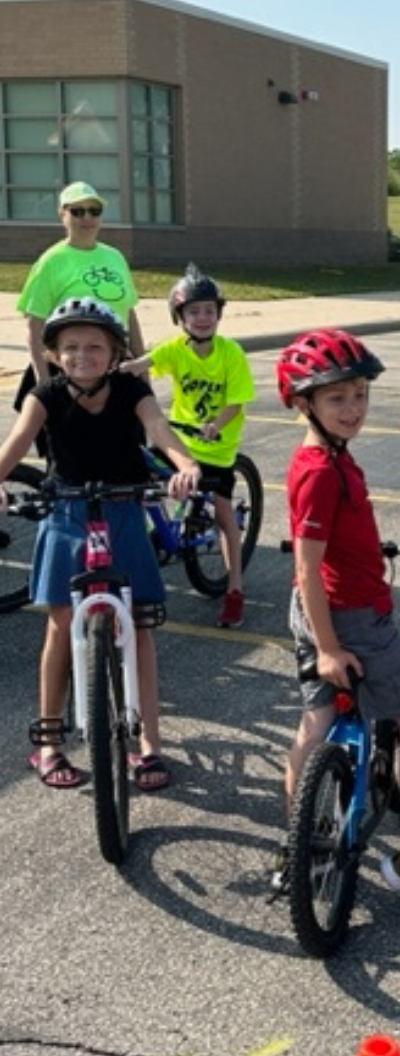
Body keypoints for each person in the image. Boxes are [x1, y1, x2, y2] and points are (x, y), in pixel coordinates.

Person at [274, 328, 400, 908]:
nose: (353, 408)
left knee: (315, 720)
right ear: (303, 402)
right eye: (337, 398)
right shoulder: (320, 471)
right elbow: (309, 568)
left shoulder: (326, 456)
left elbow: (324, 553)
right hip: (350, 616)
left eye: (360, 394)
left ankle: (298, 846)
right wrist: (332, 646)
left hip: (326, 610)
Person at [0, 298, 200, 790]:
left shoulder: (132, 388)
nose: (81, 355)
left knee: (139, 625)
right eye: (70, 347)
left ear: (114, 353)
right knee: (61, 624)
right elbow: (18, 442)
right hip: (67, 512)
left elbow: (158, 429)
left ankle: (149, 741)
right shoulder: (44, 394)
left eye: (94, 346)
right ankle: (49, 743)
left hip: (123, 509)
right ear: (53, 354)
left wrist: (185, 465)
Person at [122, 264, 255, 628]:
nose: (202, 318)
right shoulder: (176, 349)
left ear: (219, 314)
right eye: (193, 311)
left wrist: (215, 425)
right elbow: (143, 363)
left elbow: (237, 401)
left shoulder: (230, 353)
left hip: (216, 449)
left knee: (225, 517)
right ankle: (159, 536)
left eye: (209, 310)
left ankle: (234, 589)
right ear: (179, 317)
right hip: (179, 443)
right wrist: (115, 370)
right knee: (140, 481)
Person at [14, 183, 145, 451]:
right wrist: (45, 382)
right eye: (78, 211)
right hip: (71, 366)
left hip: (114, 365)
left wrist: (142, 366)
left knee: (126, 454)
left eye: (94, 211)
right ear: (62, 214)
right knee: (71, 456)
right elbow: (34, 323)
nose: (87, 218)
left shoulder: (114, 257)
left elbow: (129, 313)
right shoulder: (52, 261)